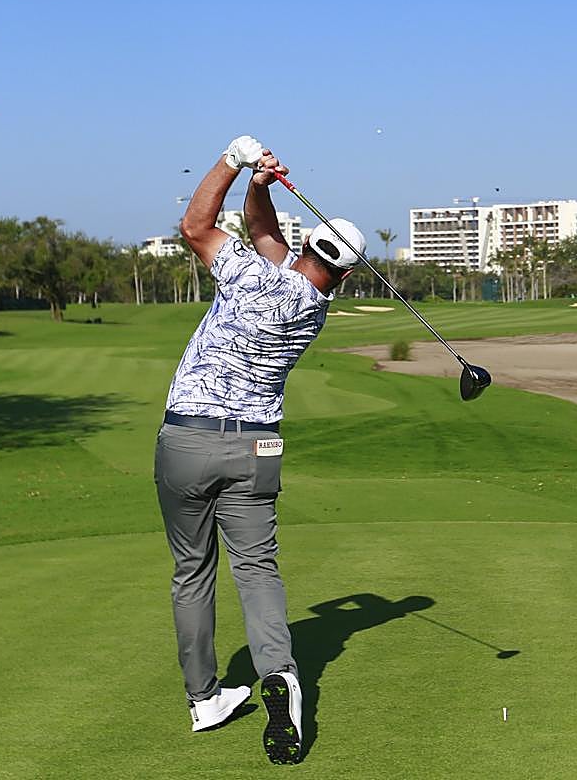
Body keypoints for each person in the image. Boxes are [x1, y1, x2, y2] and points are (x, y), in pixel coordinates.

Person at [155, 136, 366, 764]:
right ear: (345, 272)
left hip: (187, 438)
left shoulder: (248, 273)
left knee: (192, 572)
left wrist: (232, 159)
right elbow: (265, 236)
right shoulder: (315, 303)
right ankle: (281, 675)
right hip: (257, 447)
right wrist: (259, 187)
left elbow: (196, 225)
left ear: (306, 246)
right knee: (257, 569)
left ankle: (205, 699)